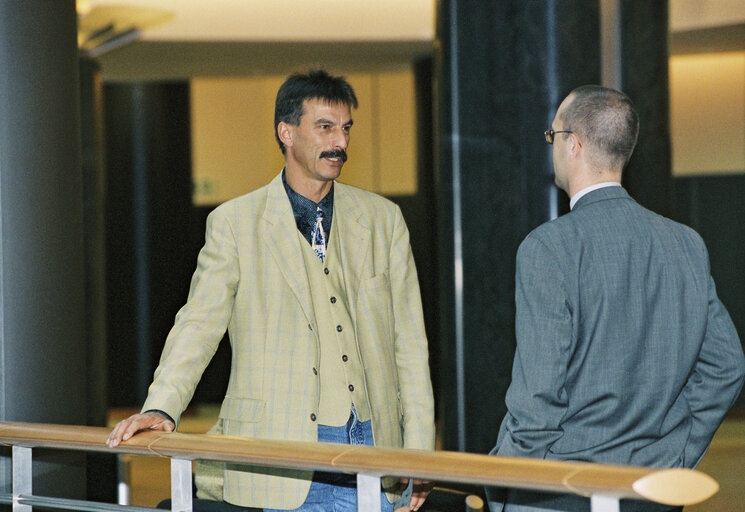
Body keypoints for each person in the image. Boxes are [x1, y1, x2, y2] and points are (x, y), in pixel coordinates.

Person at [107, 69, 435, 512]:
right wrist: (163, 407)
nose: (339, 141)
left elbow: (409, 346)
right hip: (281, 452)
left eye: (345, 128)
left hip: (374, 449)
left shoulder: (383, 220)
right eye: (324, 127)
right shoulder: (235, 223)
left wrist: (419, 454)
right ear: (286, 131)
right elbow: (199, 323)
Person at [487, 85, 745, 512]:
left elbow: (538, 400)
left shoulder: (548, 247)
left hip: (564, 490)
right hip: (655, 490)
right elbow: (726, 367)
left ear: (575, 144)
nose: (551, 148)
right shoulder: (685, 243)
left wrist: (505, 487)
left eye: (552, 137)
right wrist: (677, 452)